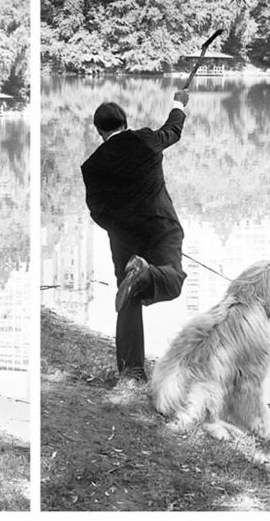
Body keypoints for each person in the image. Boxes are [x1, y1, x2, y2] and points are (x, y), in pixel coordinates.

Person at [81, 89, 190, 384]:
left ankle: (131, 373)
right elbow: (173, 130)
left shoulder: (91, 167)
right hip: (160, 227)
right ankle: (146, 274)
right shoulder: (145, 139)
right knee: (174, 279)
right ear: (124, 122)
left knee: (128, 302)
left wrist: (121, 228)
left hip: (124, 241)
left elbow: (97, 211)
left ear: (100, 131)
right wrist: (179, 104)